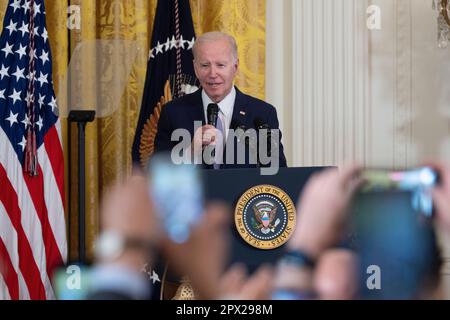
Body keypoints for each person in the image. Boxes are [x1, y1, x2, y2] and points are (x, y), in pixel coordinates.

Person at [154, 31, 287, 170]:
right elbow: (159, 174)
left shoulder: (262, 114)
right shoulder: (173, 112)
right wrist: (190, 153)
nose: (212, 74)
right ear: (195, 68)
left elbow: (278, 173)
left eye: (220, 65)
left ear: (235, 67)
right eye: (205, 65)